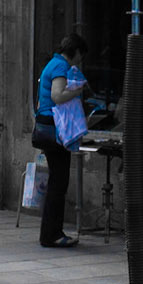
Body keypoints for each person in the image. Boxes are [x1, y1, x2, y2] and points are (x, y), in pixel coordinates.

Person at [33, 32, 90, 248]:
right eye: (80, 55)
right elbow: (57, 96)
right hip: (54, 131)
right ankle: (52, 234)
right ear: (75, 52)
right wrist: (76, 92)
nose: (80, 60)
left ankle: (50, 232)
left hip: (48, 127)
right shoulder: (59, 67)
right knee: (59, 182)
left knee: (57, 181)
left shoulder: (53, 63)